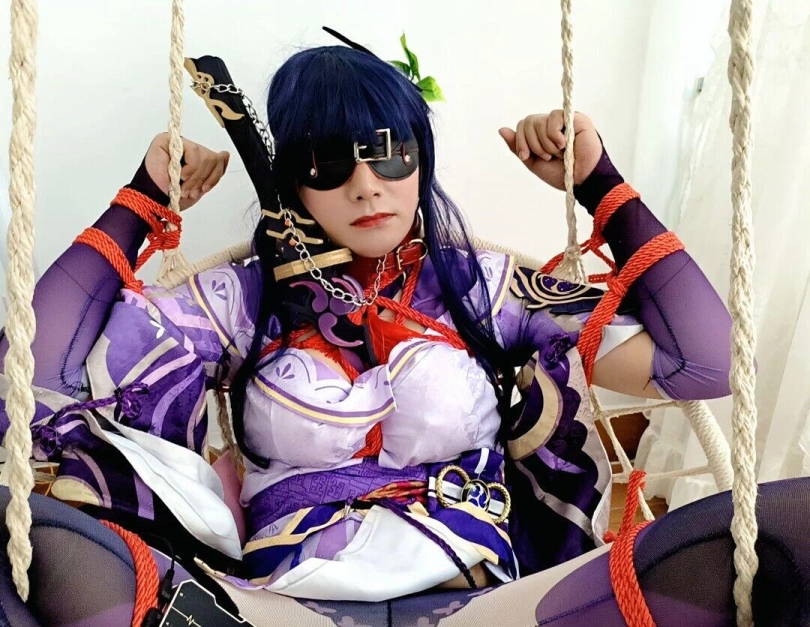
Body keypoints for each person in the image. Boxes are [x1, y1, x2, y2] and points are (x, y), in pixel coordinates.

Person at [0, 43, 733, 602]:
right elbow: (32, 371)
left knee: (755, 539)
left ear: (421, 157)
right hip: (285, 602)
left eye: (389, 153)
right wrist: (140, 201)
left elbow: (705, 362)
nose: (365, 186)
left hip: (478, 597)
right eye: (327, 163)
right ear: (289, 179)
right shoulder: (243, 301)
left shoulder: (482, 290)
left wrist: (601, 184)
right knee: (17, 542)